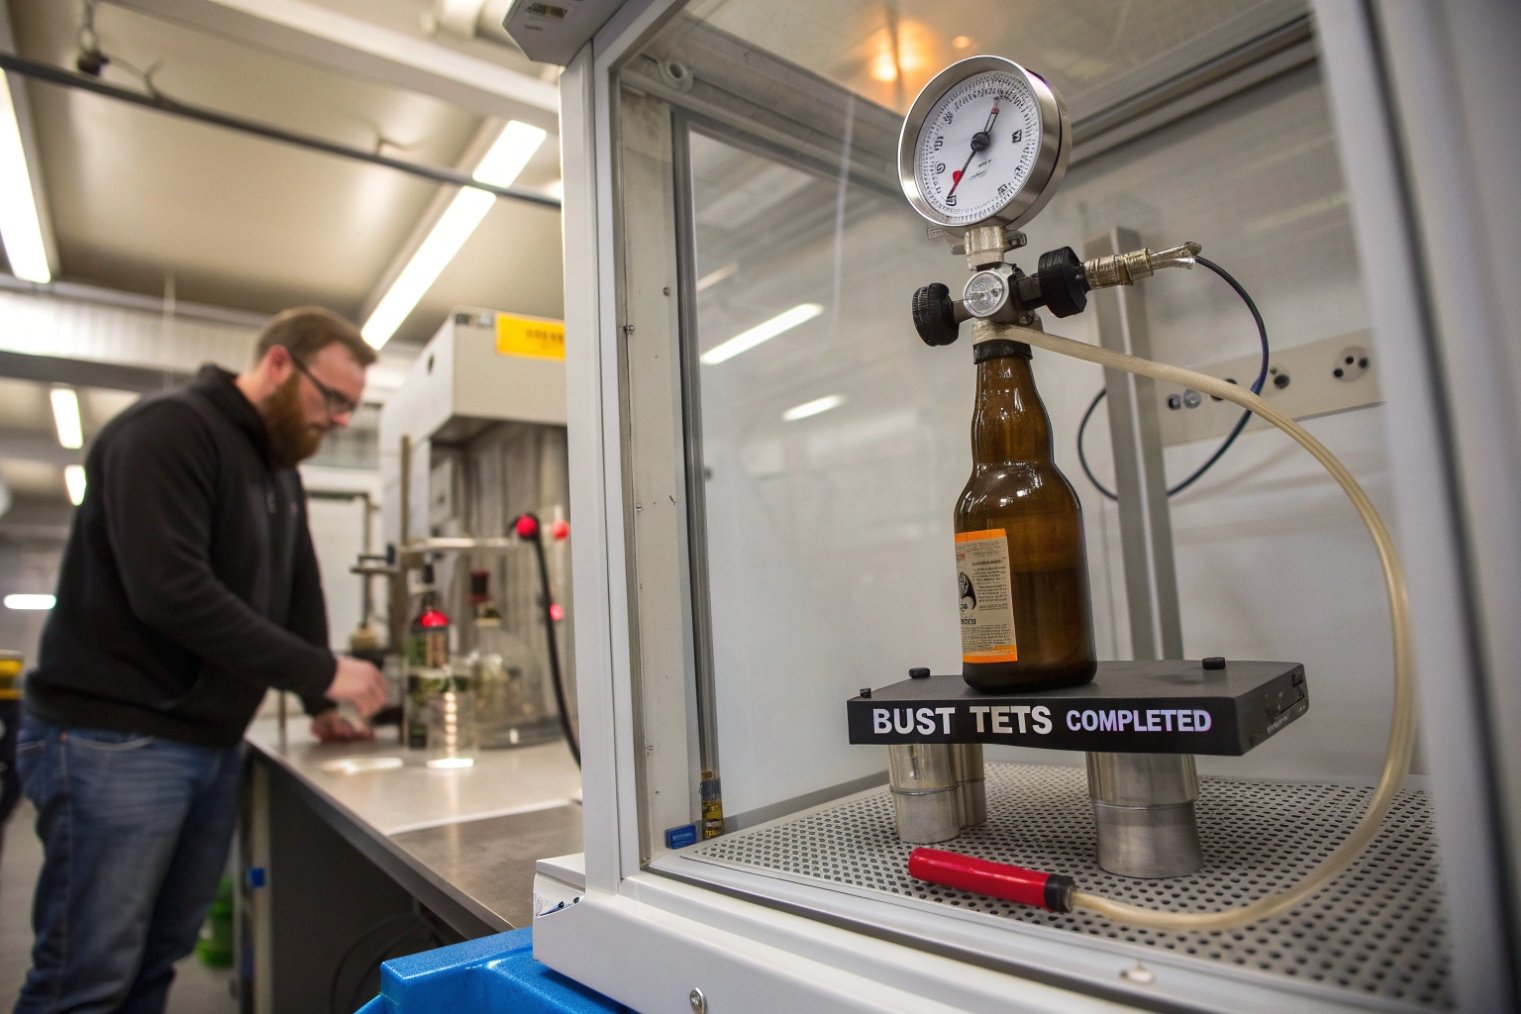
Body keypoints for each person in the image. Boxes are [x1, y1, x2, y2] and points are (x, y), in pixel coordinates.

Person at [13, 307, 390, 1014]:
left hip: (206, 744)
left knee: (159, 959)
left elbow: (297, 587)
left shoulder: (276, 469)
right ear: (279, 363)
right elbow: (172, 593)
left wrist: (321, 703)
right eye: (332, 398)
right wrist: (321, 673)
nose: (341, 419)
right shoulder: (168, 432)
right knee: (85, 976)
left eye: (352, 406)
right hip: (115, 741)